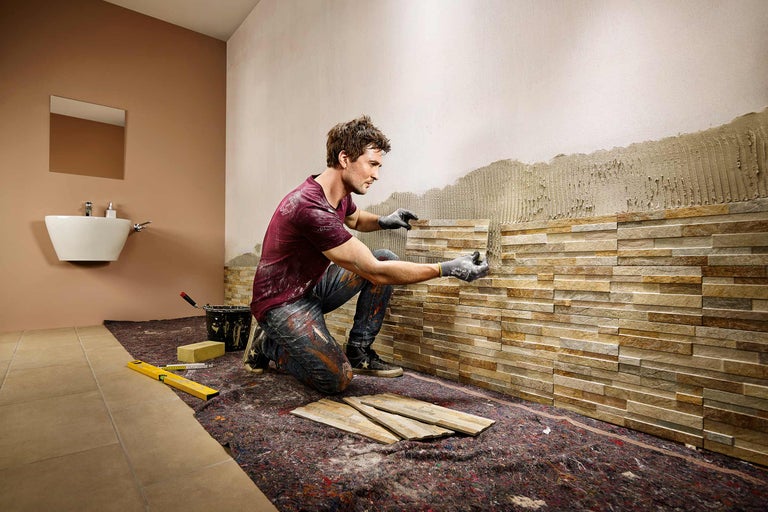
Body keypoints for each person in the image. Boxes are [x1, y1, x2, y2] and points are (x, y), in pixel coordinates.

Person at [245, 115, 489, 394]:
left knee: (385, 256)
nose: (376, 174)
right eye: (372, 164)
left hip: (310, 287)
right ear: (345, 158)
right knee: (336, 380)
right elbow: (374, 271)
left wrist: (385, 220)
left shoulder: (336, 192)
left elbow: (356, 218)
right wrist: (447, 268)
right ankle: (269, 344)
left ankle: (359, 351)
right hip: (281, 303)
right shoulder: (310, 208)